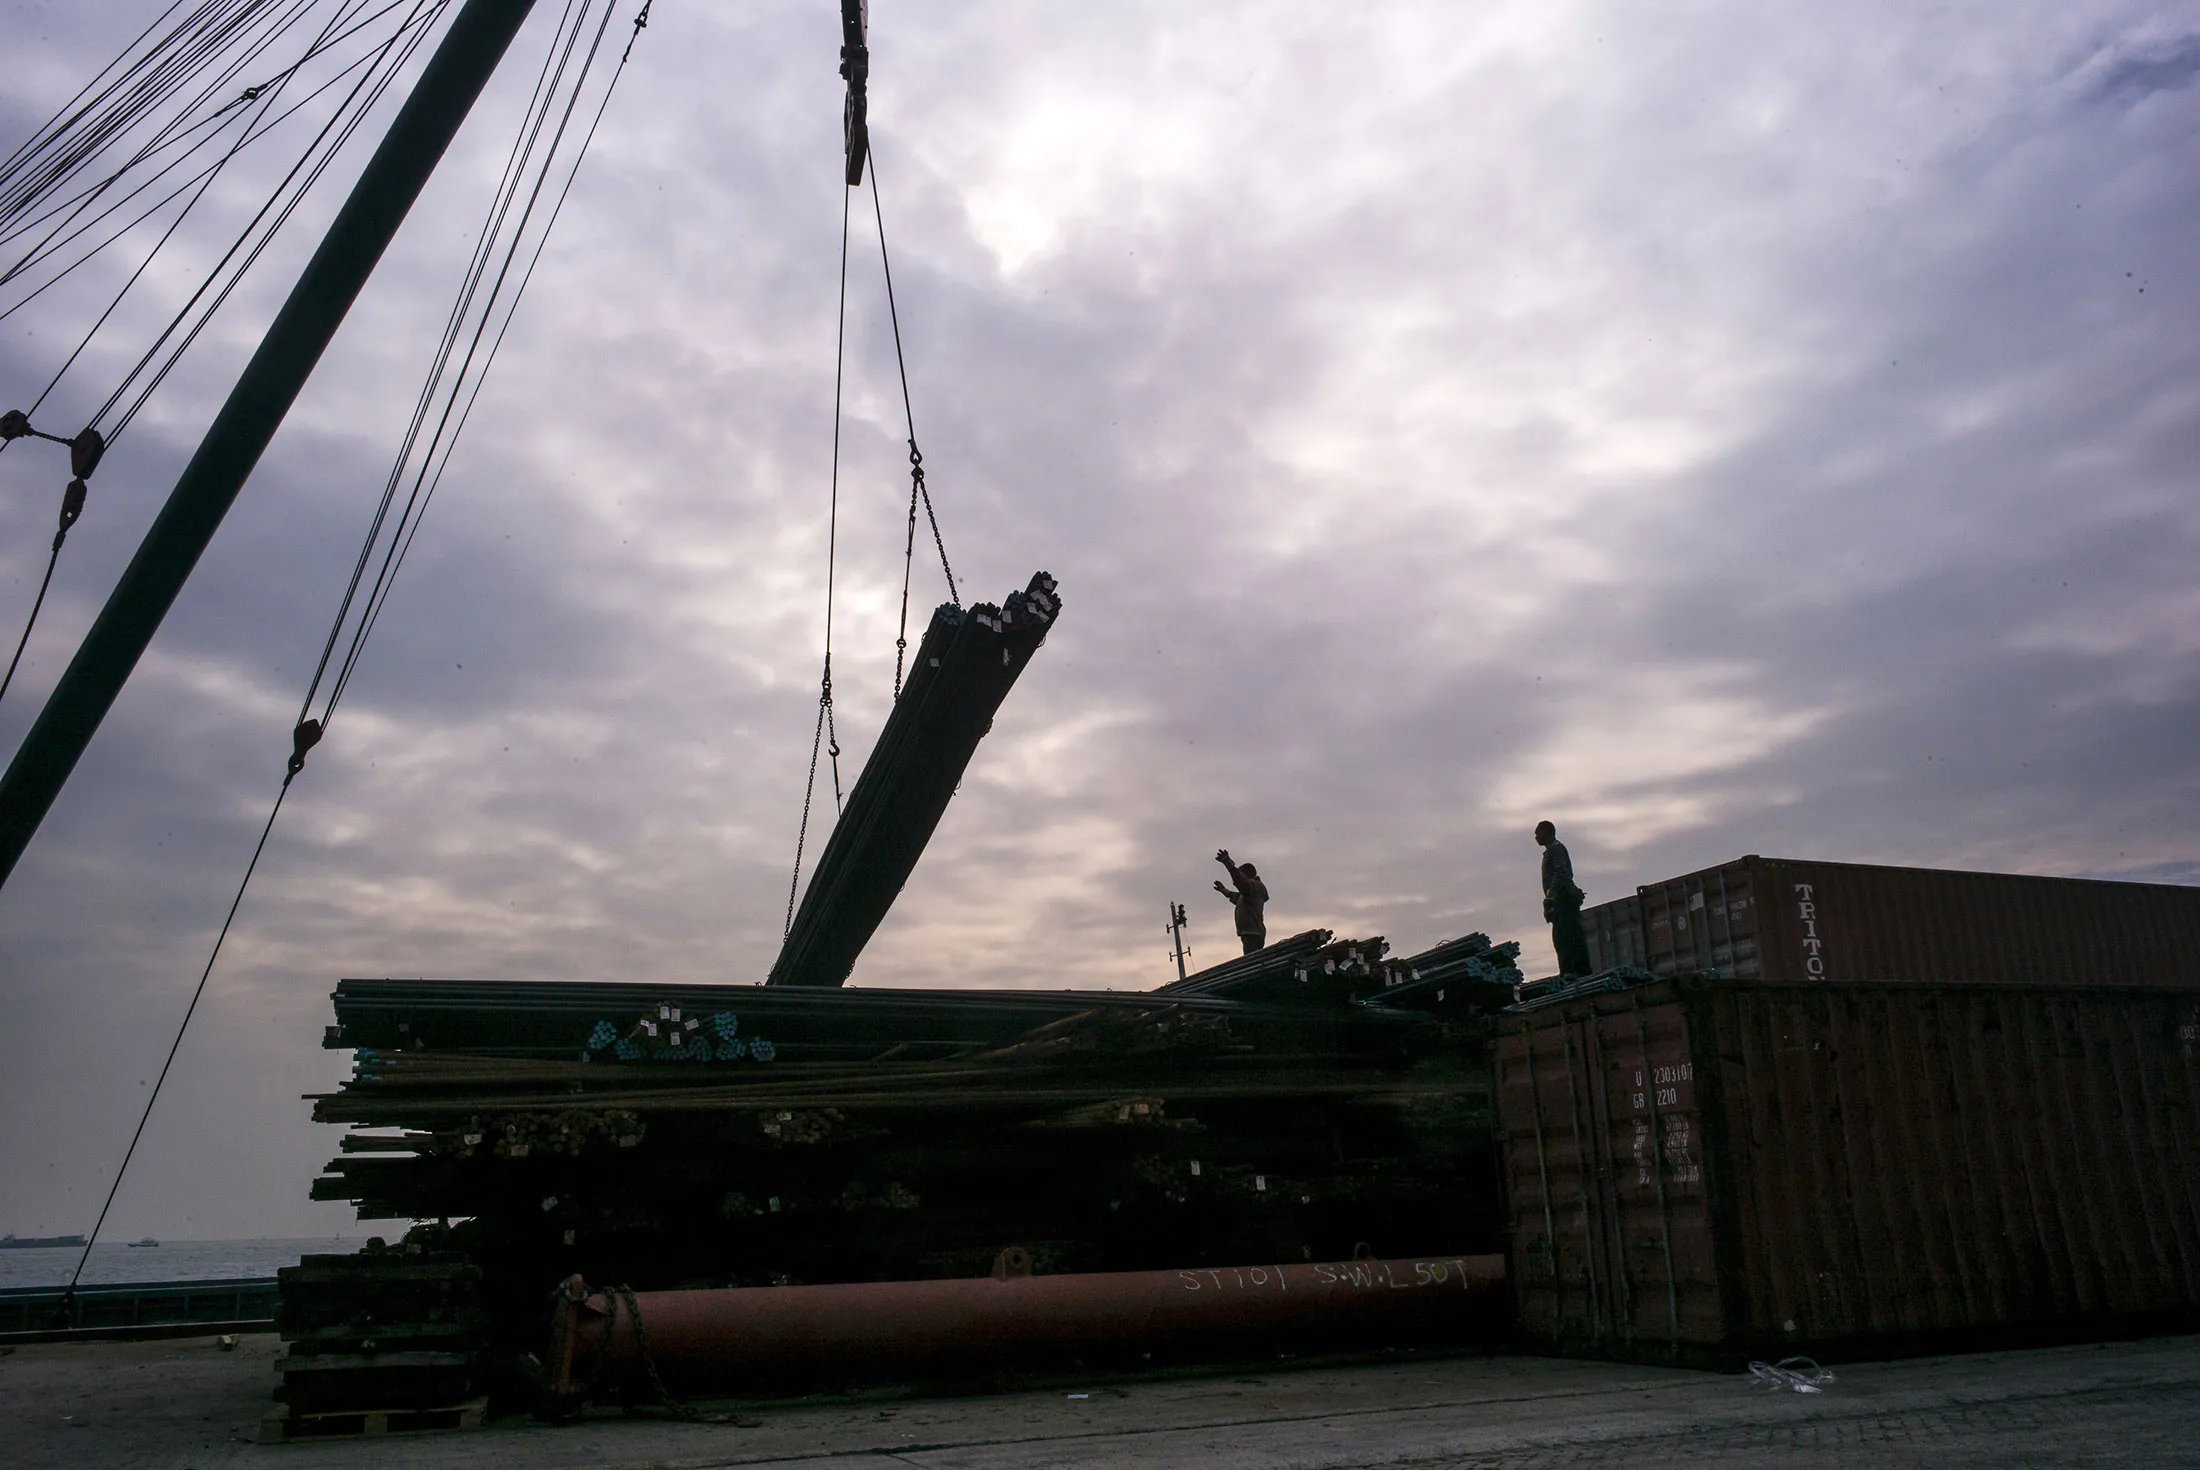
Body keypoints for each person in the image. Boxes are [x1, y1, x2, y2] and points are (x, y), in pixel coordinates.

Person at [1536, 820, 1594, 977]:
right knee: (1561, 937)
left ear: (1547, 832)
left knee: (1568, 935)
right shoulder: (1551, 851)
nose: (1535, 837)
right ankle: (1569, 970)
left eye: (1538, 833)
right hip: (1558, 899)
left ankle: (1576, 970)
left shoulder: (1556, 849)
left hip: (1564, 898)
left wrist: (1550, 895)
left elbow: (1561, 872)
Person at [1212, 848, 1269, 954]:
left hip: (1253, 933)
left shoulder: (1254, 887)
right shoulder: (1249, 892)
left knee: (1252, 962)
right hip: (1250, 932)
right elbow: (1237, 898)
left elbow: (1239, 880)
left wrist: (1227, 862)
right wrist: (1223, 890)